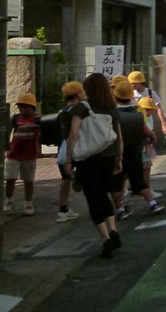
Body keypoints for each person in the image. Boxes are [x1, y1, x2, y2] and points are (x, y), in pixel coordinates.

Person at [64, 72, 123, 259]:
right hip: (108, 158)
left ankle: (105, 238)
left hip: (88, 160)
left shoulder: (81, 108)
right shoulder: (112, 109)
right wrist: (119, 159)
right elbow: (119, 138)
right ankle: (113, 229)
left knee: (93, 198)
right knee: (104, 194)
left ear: (87, 89)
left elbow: (73, 134)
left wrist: (68, 160)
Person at [110, 81, 165, 218]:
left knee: (116, 183)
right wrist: (151, 138)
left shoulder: (112, 115)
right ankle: (152, 204)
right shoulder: (138, 114)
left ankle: (120, 210)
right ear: (131, 96)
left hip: (116, 153)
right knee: (139, 180)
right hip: (135, 152)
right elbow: (147, 132)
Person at [5, 92, 40, 216]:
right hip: (14, 154)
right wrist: (7, 147)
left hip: (30, 155)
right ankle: (8, 200)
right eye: (20, 106)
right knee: (10, 178)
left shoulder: (37, 120)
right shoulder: (15, 118)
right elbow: (8, 131)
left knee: (28, 180)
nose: (23, 109)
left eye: (26, 107)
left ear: (32, 108)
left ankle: (28, 203)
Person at [55, 81, 83, 223]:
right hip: (78, 150)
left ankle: (63, 209)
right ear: (78, 94)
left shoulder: (62, 112)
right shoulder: (80, 111)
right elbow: (75, 133)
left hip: (63, 151)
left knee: (65, 180)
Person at [129, 71, 166, 149]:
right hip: (135, 121)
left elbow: (158, 108)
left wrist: (164, 124)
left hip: (148, 121)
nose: (132, 85)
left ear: (141, 82)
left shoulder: (151, 92)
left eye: (134, 83)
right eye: (131, 83)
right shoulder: (130, 93)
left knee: (148, 142)